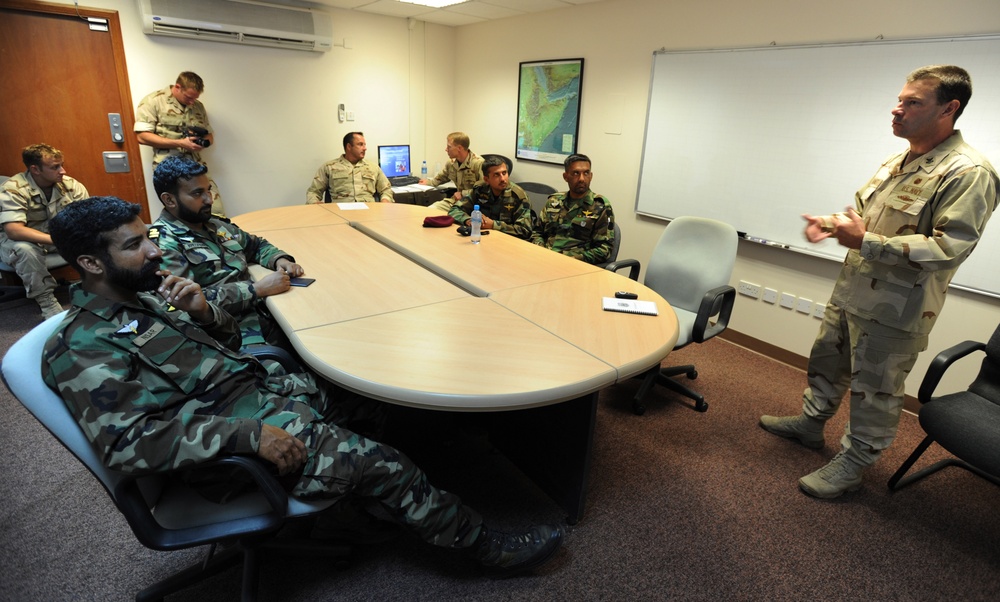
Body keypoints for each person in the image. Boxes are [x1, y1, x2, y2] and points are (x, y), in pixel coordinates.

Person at [42, 195, 563, 573]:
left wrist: (204, 312)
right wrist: (249, 436)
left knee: (377, 400)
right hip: (226, 452)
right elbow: (130, 446)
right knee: (385, 461)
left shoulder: (145, 296)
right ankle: (483, 546)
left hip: (258, 395)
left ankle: (352, 513)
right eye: (135, 245)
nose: (154, 252)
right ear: (90, 263)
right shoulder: (82, 347)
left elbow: (218, 348)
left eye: (149, 238)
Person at [759, 65, 999, 499]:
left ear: (949, 108)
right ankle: (811, 424)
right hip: (853, 289)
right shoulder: (897, 159)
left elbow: (950, 248)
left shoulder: (968, 172)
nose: (898, 108)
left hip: (897, 308)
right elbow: (862, 214)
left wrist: (866, 241)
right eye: (900, 98)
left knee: (876, 389)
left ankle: (853, 463)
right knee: (827, 362)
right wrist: (833, 224)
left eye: (913, 102)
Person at [150, 156, 301, 349]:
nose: (209, 199)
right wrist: (257, 289)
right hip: (233, 333)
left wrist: (279, 259)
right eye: (198, 193)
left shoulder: (213, 224)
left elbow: (255, 245)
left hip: (268, 312)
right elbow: (186, 304)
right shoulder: (163, 244)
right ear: (169, 199)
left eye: (208, 190)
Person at [0, 143, 89, 319]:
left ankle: (99, 289)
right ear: (35, 169)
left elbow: (87, 217)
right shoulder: (13, 189)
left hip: (56, 237)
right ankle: (47, 302)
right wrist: (57, 240)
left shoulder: (70, 185)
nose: (62, 171)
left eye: (61, 165)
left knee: (97, 236)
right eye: (55, 167)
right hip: (20, 242)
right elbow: (14, 231)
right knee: (25, 250)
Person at [134, 71, 227, 217]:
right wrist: (180, 143)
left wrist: (204, 143)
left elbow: (209, 134)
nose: (192, 102)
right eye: (189, 97)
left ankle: (217, 238)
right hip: (169, 168)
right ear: (178, 87)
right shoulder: (153, 101)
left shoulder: (198, 106)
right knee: (183, 214)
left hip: (195, 166)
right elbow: (142, 137)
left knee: (214, 211)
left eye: (195, 98)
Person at [531, 154, 615, 264]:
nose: (581, 179)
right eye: (576, 173)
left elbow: (605, 249)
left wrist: (574, 259)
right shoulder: (554, 201)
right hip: (544, 259)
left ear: (591, 176)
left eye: (586, 173)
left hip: (575, 264)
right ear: (565, 177)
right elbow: (537, 232)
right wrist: (541, 250)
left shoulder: (600, 206)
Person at [448, 155, 533, 239]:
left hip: (506, 242)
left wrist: (493, 225)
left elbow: (525, 231)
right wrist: (468, 220)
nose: (503, 179)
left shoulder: (518, 196)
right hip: (484, 237)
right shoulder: (480, 189)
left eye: (504, 173)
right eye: (496, 175)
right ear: (486, 179)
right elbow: (454, 210)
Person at [306, 132, 394, 204]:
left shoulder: (373, 167)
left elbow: (386, 189)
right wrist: (315, 203)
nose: (365, 148)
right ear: (349, 147)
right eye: (360, 144)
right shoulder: (329, 167)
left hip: (369, 212)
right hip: (340, 213)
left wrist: (385, 201)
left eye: (364, 145)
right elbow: (313, 192)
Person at [420, 132, 484, 213]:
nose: (446, 149)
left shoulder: (478, 163)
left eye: (449, 147)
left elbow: (483, 190)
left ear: (459, 148)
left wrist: (462, 193)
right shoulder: (451, 163)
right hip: (456, 201)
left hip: (474, 204)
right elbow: (441, 178)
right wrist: (427, 183)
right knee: (428, 211)